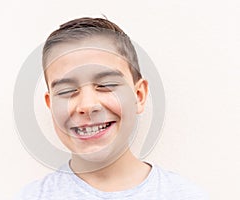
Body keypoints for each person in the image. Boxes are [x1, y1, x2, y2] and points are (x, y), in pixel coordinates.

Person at [16, 17, 207, 200]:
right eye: (67, 90)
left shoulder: (183, 195)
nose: (88, 105)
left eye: (106, 85)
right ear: (50, 106)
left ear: (138, 96)